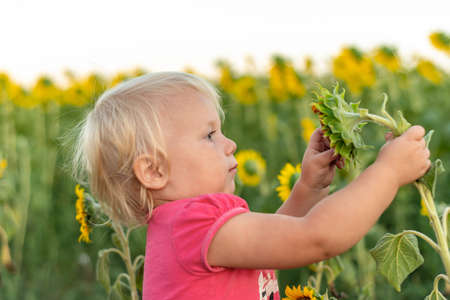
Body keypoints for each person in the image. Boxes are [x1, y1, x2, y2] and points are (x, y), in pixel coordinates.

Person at [72, 72, 430, 300]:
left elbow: (275, 241)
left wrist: (309, 187)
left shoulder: (189, 230)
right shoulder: (191, 225)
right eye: (209, 135)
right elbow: (317, 238)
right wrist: (389, 171)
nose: (230, 144)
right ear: (153, 171)